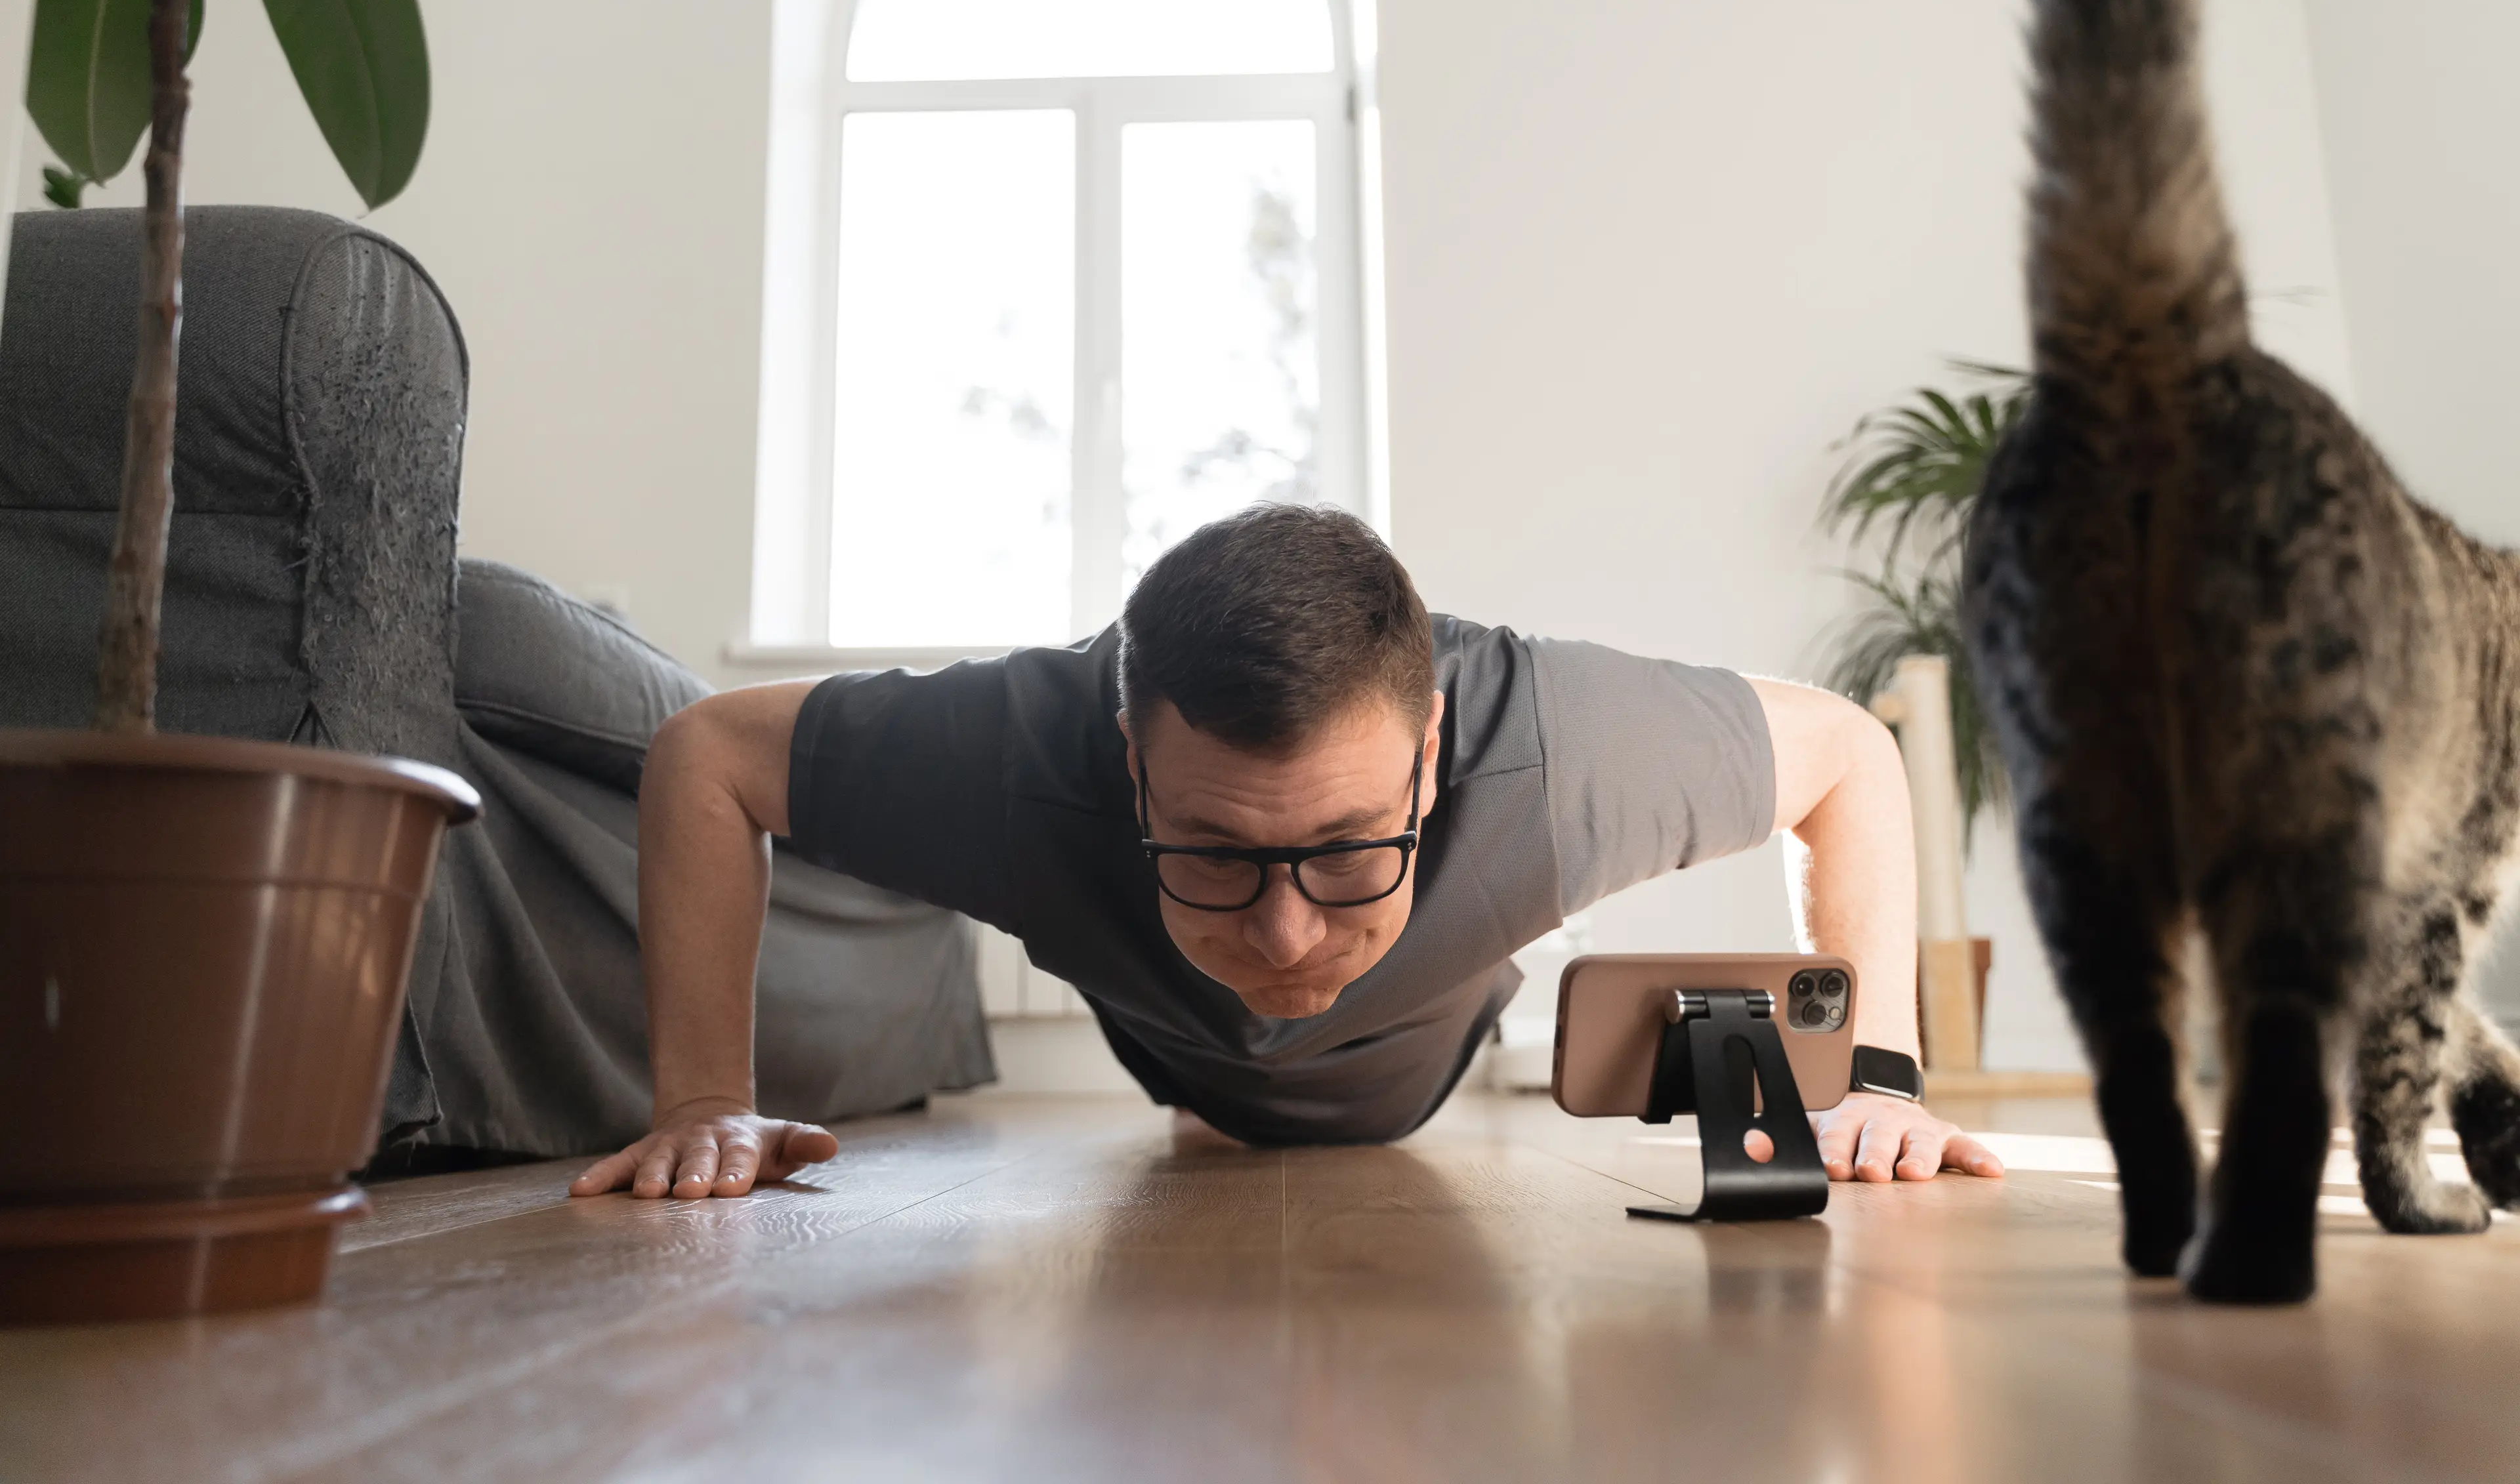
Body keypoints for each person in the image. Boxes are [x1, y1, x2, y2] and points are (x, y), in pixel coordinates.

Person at [571, 505, 2004, 1199]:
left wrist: (1879, 1073)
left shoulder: (1558, 755)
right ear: (1130, 762)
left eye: (1342, 849)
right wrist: (705, 1097)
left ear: (1431, 754)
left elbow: (1848, 754)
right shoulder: (1013, 756)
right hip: (1172, 1051)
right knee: (1229, 1040)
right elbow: (711, 755)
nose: (1288, 933)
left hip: (1419, 1064)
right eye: (1214, 850)